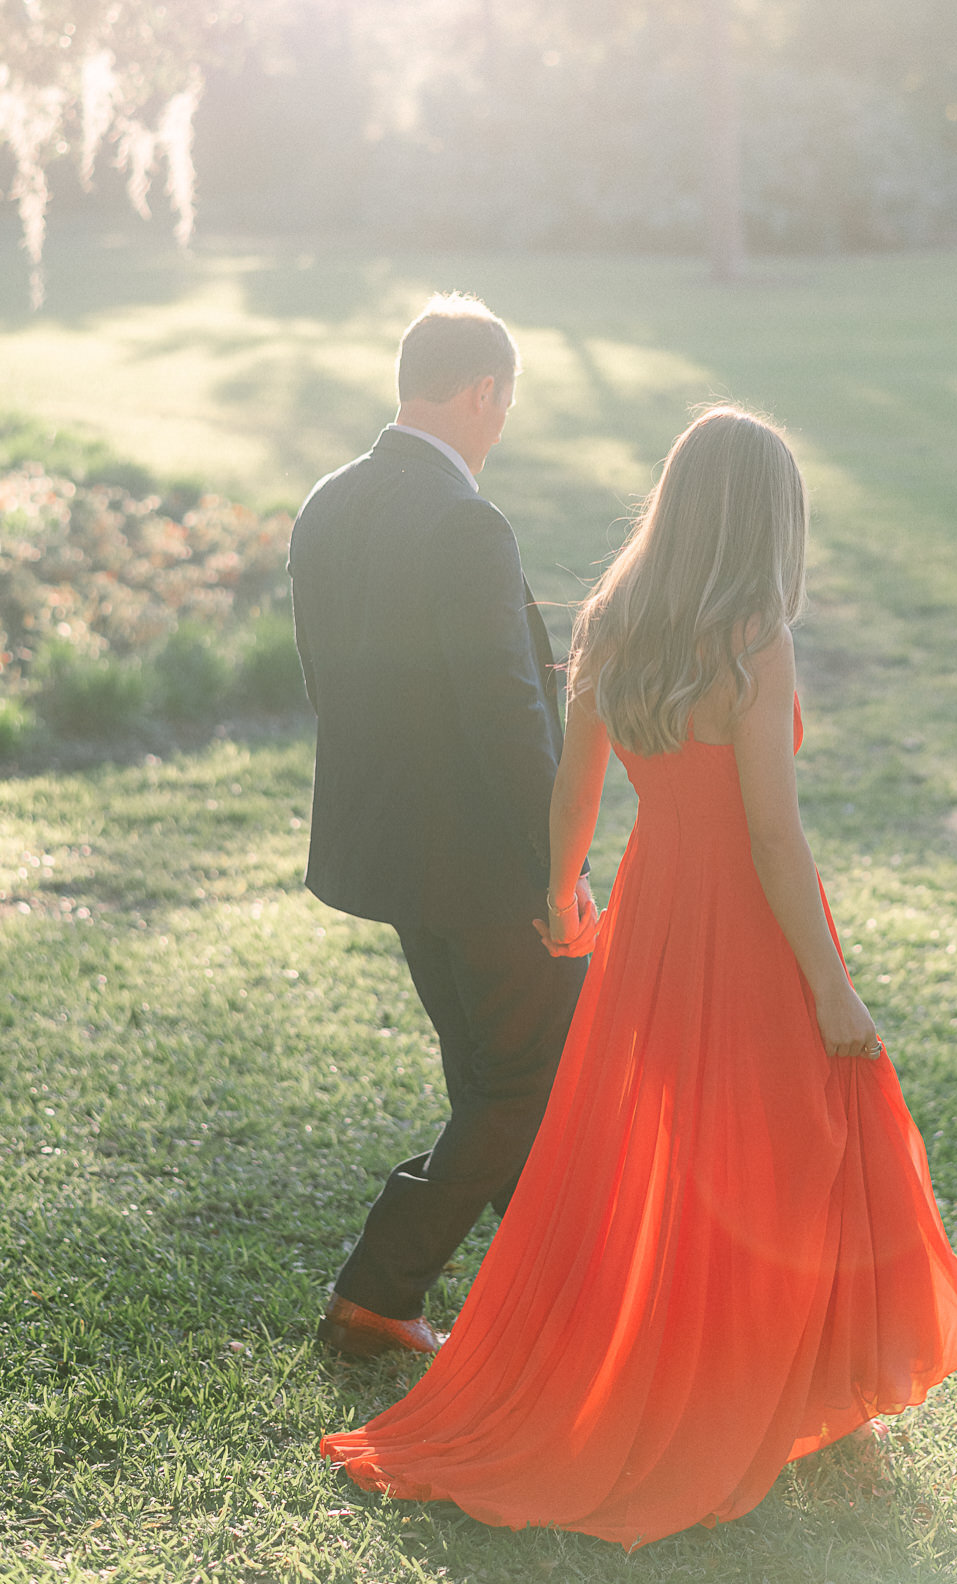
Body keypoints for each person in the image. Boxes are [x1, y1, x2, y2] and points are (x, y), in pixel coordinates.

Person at [320, 406, 957, 1543]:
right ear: (763, 517)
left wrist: (562, 892)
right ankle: (795, 1389)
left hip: (651, 910)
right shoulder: (750, 636)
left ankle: (792, 1384)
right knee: (808, 1135)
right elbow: (774, 839)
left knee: (686, 1139)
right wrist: (832, 987)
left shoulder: (614, 619)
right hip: (743, 918)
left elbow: (574, 783)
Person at [289, 292, 593, 1360]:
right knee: (529, 1079)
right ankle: (379, 1290)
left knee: (489, 1080)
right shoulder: (467, 522)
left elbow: (326, 679)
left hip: (395, 854)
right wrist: (559, 864)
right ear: (482, 393)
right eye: (501, 405)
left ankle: (548, 1287)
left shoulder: (328, 502)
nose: (500, 426)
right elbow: (507, 711)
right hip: (484, 863)